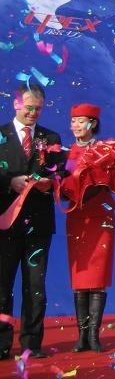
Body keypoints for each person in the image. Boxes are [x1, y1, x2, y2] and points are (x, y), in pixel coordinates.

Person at [0, 83, 66, 360]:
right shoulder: (1, 135)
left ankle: (31, 343)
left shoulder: (50, 137)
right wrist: (10, 182)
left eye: (38, 109)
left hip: (39, 224)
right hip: (6, 223)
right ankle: (2, 344)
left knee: (35, 286)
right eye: (29, 108)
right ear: (16, 104)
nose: (33, 113)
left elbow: (61, 172)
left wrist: (51, 182)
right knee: (2, 284)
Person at [60, 103, 115, 352]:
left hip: (101, 217)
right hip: (77, 217)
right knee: (80, 275)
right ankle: (82, 336)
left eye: (81, 121)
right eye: (73, 121)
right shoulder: (66, 153)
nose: (76, 126)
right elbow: (61, 184)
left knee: (98, 274)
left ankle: (94, 335)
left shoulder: (106, 151)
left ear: (92, 124)